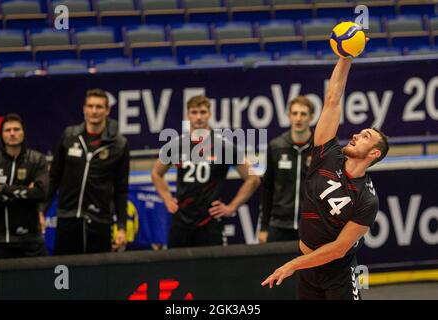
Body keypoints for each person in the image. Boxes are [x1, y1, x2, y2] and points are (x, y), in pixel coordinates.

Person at [261, 56, 389, 300]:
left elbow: (339, 249)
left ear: (374, 153)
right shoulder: (327, 154)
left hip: (337, 271)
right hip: (308, 268)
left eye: (365, 136)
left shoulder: (366, 199)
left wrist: (293, 265)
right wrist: (345, 58)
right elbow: (332, 99)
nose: (355, 134)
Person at [151, 95, 261, 248]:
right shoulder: (176, 146)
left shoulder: (224, 147)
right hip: (182, 219)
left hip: (210, 220)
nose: (198, 117)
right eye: (194, 112)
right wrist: (167, 199)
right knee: (176, 269)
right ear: (187, 115)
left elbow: (253, 178)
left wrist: (231, 207)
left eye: (203, 112)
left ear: (209, 114)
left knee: (212, 270)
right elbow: (156, 173)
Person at [46, 89, 129, 255]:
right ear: (84, 109)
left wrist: (121, 227)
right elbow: (54, 177)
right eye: (90, 106)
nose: (94, 111)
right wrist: (41, 210)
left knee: (97, 276)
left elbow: (121, 189)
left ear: (107, 110)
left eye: (99, 107)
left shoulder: (119, 144)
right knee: (64, 273)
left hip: (99, 220)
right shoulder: (69, 136)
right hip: (67, 218)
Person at [0, 114, 48, 260]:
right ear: (1, 135)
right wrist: (26, 192)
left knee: (37, 282)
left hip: (30, 239)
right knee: (1, 283)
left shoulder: (37, 159)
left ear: (23, 132)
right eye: (7, 130)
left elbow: (40, 193)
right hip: (1, 239)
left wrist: (3, 189)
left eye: (16, 129)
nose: (12, 133)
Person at [259, 96, 314, 243]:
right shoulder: (276, 146)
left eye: (303, 114)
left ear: (311, 117)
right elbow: (267, 188)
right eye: (294, 113)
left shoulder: (320, 148)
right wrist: (263, 227)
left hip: (311, 226)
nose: (298, 118)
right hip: (279, 225)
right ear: (288, 116)